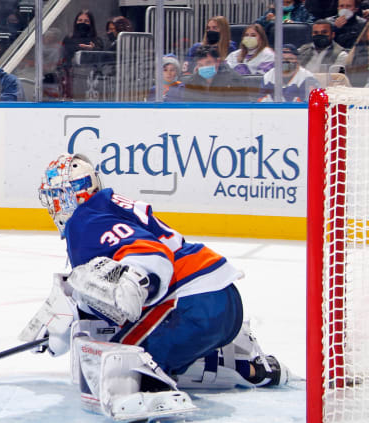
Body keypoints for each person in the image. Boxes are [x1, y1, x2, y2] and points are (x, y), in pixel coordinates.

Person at [20, 152, 291, 421]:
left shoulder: (86, 220)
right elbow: (99, 287)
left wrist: (134, 281)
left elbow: (152, 256)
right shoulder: (105, 207)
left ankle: (153, 396)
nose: (52, 205)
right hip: (218, 301)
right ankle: (243, 365)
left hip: (192, 304)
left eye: (55, 196)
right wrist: (62, 329)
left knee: (119, 367)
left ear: (72, 194)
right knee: (152, 355)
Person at [181, 45, 249, 102]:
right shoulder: (191, 82)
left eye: (208, 63)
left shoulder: (234, 80)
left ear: (218, 61)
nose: (205, 67)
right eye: (200, 65)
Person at [61, 9, 104, 99]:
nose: (82, 23)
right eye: (80, 20)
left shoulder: (97, 40)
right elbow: (64, 56)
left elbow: (101, 59)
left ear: (91, 24)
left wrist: (93, 49)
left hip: (90, 79)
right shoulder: (68, 38)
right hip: (72, 77)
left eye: (86, 21)